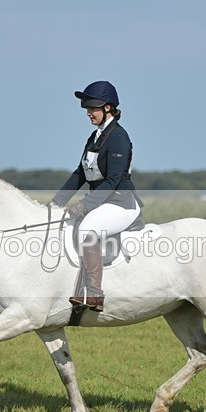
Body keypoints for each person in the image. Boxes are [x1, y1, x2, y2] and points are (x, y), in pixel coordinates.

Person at [51, 81, 142, 312]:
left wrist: (83, 205)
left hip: (121, 203)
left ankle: (94, 295)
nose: (88, 113)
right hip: (103, 203)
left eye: (92, 109)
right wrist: (55, 203)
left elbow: (112, 180)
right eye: (87, 109)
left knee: (87, 230)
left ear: (109, 108)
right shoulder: (95, 136)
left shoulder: (119, 137)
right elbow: (80, 173)